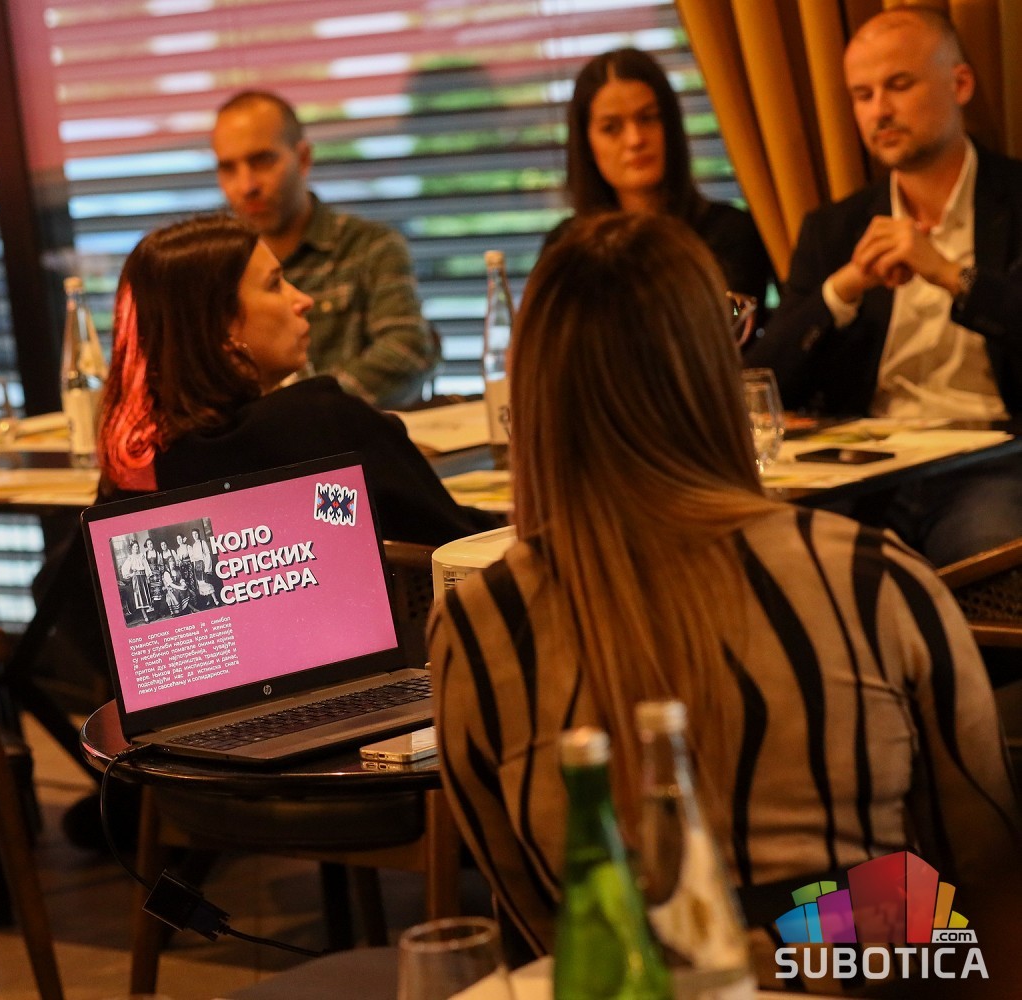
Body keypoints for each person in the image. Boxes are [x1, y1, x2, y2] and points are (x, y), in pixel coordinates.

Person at [427, 212, 1020, 981]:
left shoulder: (478, 627)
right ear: (715, 370)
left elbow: (537, 917)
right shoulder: (872, 581)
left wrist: (695, 956)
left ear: (533, 389)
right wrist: (790, 945)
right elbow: (985, 882)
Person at [748, 7, 1022, 565]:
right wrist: (842, 290)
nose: (880, 110)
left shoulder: (1016, 199)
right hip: (870, 466)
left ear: (960, 84)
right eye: (863, 94)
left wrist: (950, 275)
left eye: (899, 85)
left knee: (983, 544)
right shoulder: (834, 228)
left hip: (993, 458)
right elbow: (767, 380)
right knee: (785, 554)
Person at [97, 214, 495, 547]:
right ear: (220, 327)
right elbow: (453, 541)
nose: (303, 300)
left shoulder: (134, 464)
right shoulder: (324, 427)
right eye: (275, 284)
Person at [211, 90, 437, 408]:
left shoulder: (370, 247)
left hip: (350, 435)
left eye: (262, 161)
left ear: (303, 159)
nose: (246, 185)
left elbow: (406, 351)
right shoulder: (213, 267)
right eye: (228, 168)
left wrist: (304, 407)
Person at [550, 47, 772, 309]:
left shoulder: (730, 233)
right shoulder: (565, 245)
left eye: (648, 118)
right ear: (586, 144)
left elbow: (731, 323)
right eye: (611, 128)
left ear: (671, 126)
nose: (635, 140)